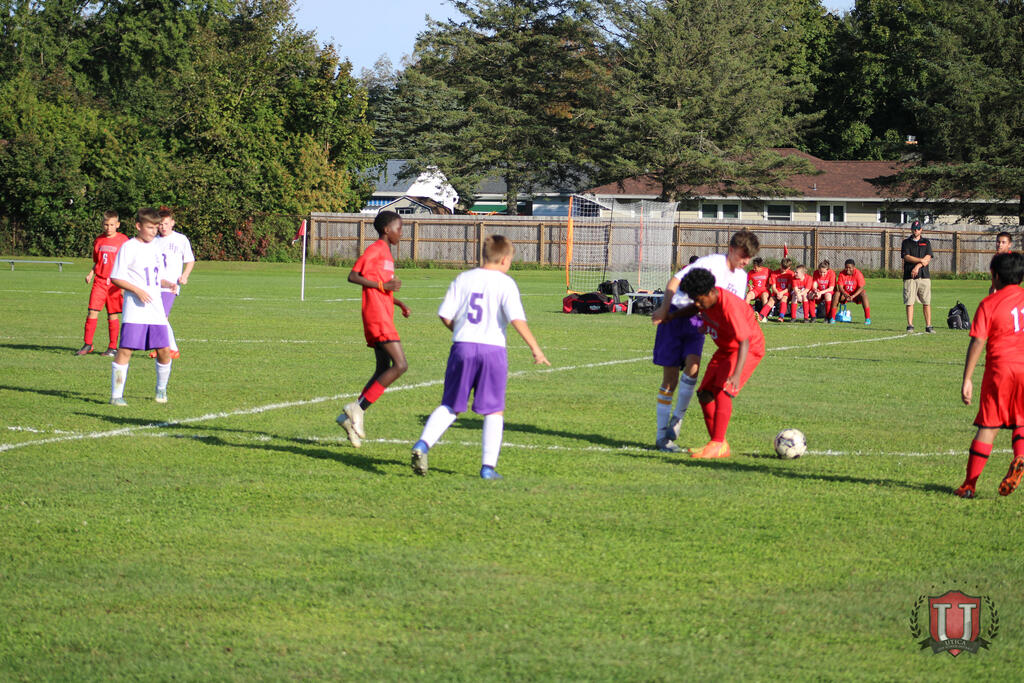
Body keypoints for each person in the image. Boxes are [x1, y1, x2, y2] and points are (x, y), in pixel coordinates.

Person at [410, 235, 550, 479]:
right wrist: (535, 348)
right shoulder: (506, 283)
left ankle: (423, 444)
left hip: (462, 347)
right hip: (492, 351)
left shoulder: (464, 278)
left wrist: (461, 332)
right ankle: (488, 468)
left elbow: (445, 315)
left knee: (450, 404)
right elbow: (517, 319)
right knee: (493, 410)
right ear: (505, 259)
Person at [650, 230, 759, 452]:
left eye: (749, 257)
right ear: (731, 249)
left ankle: (678, 418)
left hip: (697, 321)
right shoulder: (710, 263)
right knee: (670, 380)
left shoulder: (741, 277)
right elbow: (675, 280)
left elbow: (731, 309)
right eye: (743, 255)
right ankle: (662, 437)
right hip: (676, 313)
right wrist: (664, 309)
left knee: (693, 369)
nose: (746, 261)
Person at [336, 210, 411, 448]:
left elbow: (381, 288)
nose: (401, 233)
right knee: (400, 365)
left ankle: (349, 418)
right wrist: (383, 285)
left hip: (383, 313)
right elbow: (353, 276)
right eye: (399, 228)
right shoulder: (376, 249)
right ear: (387, 230)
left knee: (383, 368)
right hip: (376, 317)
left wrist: (398, 302)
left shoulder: (386, 253)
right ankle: (356, 408)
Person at [954, 251, 1024, 499]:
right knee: (1021, 420)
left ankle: (969, 485)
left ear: (995, 276)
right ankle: (1020, 456)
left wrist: (967, 378)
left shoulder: (990, 303)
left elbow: (977, 341)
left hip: (1001, 369)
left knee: (989, 425)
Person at [678, 267, 765, 459]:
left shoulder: (729, 305)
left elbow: (744, 341)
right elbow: (704, 324)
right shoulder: (705, 302)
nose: (697, 304)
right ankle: (719, 444)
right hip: (726, 349)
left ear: (711, 292)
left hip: (747, 349)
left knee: (723, 390)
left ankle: (717, 443)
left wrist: (736, 374)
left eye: (699, 299)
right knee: (705, 393)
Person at [108, 208, 177, 405]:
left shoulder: (156, 247)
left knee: (164, 350)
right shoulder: (129, 247)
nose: (154, 231)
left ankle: (161, 390)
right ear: (138, 226)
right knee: (125, 350)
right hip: (135, 309)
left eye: (156, 228)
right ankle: (116, 395)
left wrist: (167, 283)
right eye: (150, 227)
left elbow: (154, 277)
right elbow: (116, 277)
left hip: (156, 309)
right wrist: (137, 291)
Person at [77, 211, 130, 356]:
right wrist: (91, 273)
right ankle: (87, 344)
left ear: (117, 225)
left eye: (112, 225)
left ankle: (112, 347)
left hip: (115, 283)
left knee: (112, 314)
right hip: (100, 281)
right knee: (92, 311)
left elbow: (128, 263)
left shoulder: (124, 240)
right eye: (106, 225)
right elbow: (98, 261)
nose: (109, 228)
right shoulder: (99, 240)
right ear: (102, 225)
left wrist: (125, 284)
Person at [147, 207, 194, 360]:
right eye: (160, 224)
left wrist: (185, 275)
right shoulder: (154, 241)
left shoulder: (181, 239)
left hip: (171, 286)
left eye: (166, 224)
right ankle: (160, 348)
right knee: (155, 317)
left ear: (172, 223)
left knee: (162, 317)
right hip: (155, 284)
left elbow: (190, 260)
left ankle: (172, 349)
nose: (163, 227)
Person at [901, 220, 933, 332]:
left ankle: (928, 326)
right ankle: (910, 325)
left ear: (921, 230)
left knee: (926, 302)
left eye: (918, 228)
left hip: (924, 276)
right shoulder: (906, 242)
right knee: (909, 302)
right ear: (911, 229)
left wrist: (917, 267)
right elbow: (906, 257)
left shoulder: (926, 242)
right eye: (914, 229)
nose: (916, 230)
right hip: (909, 277)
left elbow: (928, 257)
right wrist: (920, 260)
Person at [830, 259, 871, 324]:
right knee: (837, 294)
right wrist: (845, 294)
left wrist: (853, 296)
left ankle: (868, 319)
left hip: (856, 295)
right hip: (845, 295)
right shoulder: (842, 273)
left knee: (864, 295)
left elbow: (861, 287)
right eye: (846, 267)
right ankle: (832, 318)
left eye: (850, 268)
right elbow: (840, 287)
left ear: (854, 267)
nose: (848, 269)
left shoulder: (858, 274)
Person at [760, 257, 794, 321]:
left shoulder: (791, 274)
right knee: (771, 301)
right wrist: (778, 293)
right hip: (776, 292)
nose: (783, 269)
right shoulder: (774, 273)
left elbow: (789, 288)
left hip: (785, 292)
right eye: (782, 267)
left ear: (789, 267)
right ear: (780, 265)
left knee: (784, 299)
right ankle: (761, 316)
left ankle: (781, 317)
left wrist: (781, 293)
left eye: (785, 268)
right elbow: (773, 287)